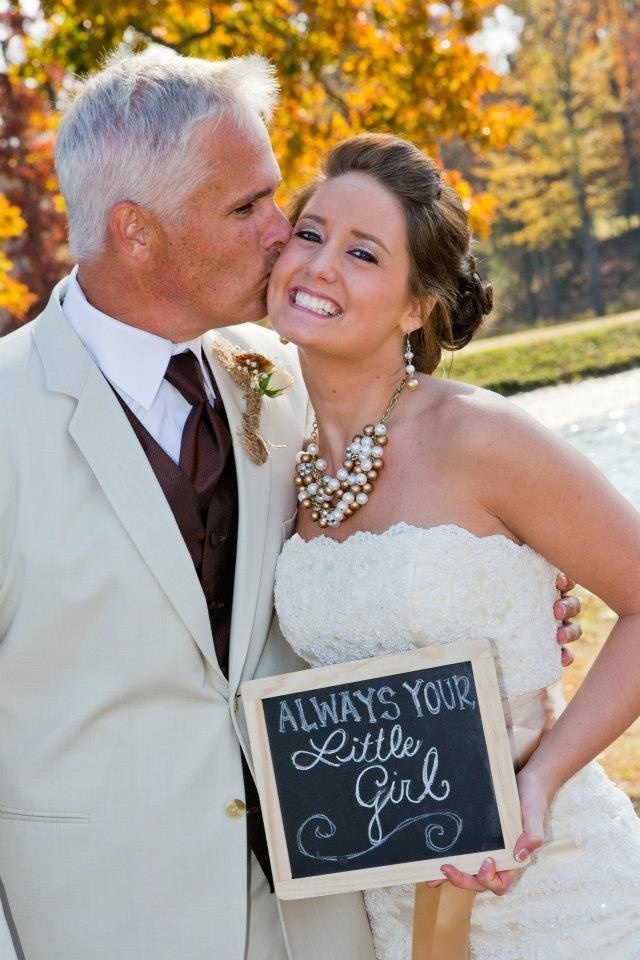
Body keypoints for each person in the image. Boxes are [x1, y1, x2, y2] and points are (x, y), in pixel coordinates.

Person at [0, 51, 579, 960]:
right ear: (136, 231)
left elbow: (402, 523)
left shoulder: (282, 374)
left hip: (333, 917)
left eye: (277, 197)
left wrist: (510, 595)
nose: (282, 233)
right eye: (247, 208)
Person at [267, 132, 640, 959]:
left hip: (555, 891)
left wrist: (539, 783)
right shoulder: (274, 449)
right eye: (310, 233)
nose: (320, 265)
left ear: (416, 306)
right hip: (385, 909)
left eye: (362, 252)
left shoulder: (481, 437)